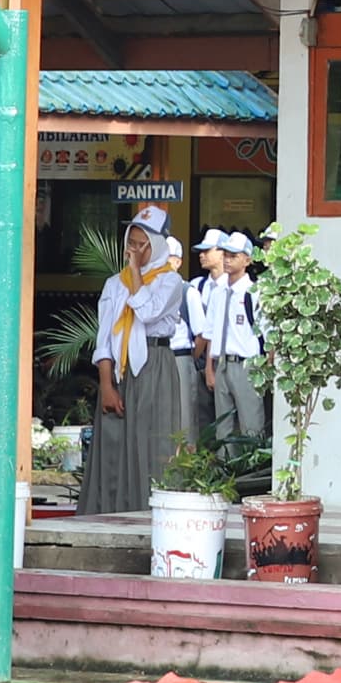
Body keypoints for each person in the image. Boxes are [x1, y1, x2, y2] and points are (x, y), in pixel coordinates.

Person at [83, 206, 197, 515]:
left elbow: (147, 312)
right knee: (115, 444)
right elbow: (104, 337)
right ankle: (110, 513)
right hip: (119, 371)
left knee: (152, 443)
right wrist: (106, 384)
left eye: (141, 244)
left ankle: (152, 513)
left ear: (157, 245)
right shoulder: (113, 284)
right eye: (130, 243)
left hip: (155, 365)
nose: (133, 250)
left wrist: (135, 276)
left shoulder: (171, 282)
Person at [188, 230, 271, 492]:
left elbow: (268, 335)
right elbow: (211, 332)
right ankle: (228, 480)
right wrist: (211, 368)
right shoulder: (218, 291)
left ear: (247, 260)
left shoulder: (254, 292)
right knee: (223, 426)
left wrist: (266, 368)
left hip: (247, 364)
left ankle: (253, 480)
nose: (227, 260)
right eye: (225, 254)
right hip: (223, 363)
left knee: (251, 425)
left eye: (233, 256)